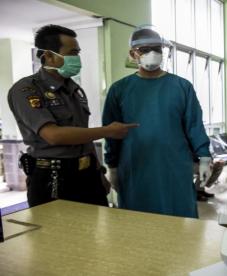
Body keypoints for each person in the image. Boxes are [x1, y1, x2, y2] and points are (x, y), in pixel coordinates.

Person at [7, 25, 136, 207]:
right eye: (72, 53)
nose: (77, 59)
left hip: (87, 175)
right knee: (58, 233)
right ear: (48, 56)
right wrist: (108, 131)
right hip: (54, 178)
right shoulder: (27, 90)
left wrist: (99, 172)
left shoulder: (74, 89)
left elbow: (83, 137)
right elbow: (54, 135)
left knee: (95, 232)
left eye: (78, 53)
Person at [102, 26, 211, 218]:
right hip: (135, 165)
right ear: (132, 54)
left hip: (175, 166)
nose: (152, 53)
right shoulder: (119, 89)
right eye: (144, 50)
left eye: (157, 49)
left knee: (181, 222)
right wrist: (112, 168)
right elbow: (111, 132)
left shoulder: (181, 87)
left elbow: (194, 124)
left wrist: (204, 157)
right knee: (138, 223)